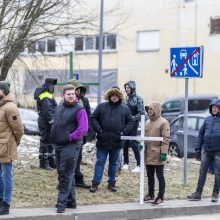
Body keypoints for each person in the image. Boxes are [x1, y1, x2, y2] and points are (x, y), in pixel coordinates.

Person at [51, 84, 88, 213]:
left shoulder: (79, 109)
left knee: (65, 174)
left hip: (71, 145)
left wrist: (70, 137)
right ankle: (71, 202)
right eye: (69, 94)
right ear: (63, 95)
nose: (71, 96)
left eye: (73, 94)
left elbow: (83, 128)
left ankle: (61, 203)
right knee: (63, 173)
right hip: (59, 144)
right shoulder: (60, 106)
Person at [90, 86, 134, 193]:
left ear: (119, 97)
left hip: (117, 141)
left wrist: (123, 132)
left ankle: (111, 182)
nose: (114, 97)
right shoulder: (101, 107)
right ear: (109, 96)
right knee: (100, 162)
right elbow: (93, 118)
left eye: (116, 95)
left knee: (114, 163)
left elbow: (131, 122)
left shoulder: (125, 109)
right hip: (102, 140)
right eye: (112, 95)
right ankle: (95, 183)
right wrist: (99, 130)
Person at [188, 99, 220, 202]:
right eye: (213, 107)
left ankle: (215, 194)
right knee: (202, 171)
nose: (214, 109)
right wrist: (198, 149)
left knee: (218, 173)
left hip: (218, 152)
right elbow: (200, 135)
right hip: (206, 150)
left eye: (216, 107)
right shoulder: (207, 120)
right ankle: (198, 193)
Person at [0, 81, 24, 215]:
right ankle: (0, 199)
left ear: (3, 91)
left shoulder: (10, 107)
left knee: (7, 175)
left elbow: (19, 129)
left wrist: (16, 141)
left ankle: (6, 203)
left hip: (6, 147)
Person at [144, 102, 170, 205]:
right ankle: (151, 194)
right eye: (148, 109)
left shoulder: (164, 122)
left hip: (158, 153)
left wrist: (163, 153)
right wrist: (141, 145)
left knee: (160, 176)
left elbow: (166, 139)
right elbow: (144, 137)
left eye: (151, 109)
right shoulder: (146, 122)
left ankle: (161, 197)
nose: (150, 111)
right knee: (150, 175)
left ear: (157, 110)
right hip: (148, 153)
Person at [68, 79, 91, 189]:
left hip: (81, 135)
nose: (78, 91)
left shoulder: (84, 100)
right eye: (76, 89)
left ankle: (78, 180)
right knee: (69, 158)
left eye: (79, 89)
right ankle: (66, 180)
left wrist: (88, 133)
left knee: (78, 157)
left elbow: (88, 116)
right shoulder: (66, 101)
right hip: (70, 135)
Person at [34, 78, 57, 170]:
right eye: (53, 86)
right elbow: (47, 111)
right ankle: (44, 162)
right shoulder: (44, 95)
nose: (54, 87)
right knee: (45, 141)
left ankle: (51, 161)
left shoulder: (48, 94)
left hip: (47, 121)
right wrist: (52, 121)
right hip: (45, 121)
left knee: (50, 141)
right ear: (49, 86)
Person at [122, 80, 145, 173]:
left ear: (132, 88)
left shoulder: (138, 99)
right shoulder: (125, 98)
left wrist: (132, 118)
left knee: (133, 142)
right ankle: (126, 163)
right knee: (125, 142)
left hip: (134, 123)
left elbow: (142, 113)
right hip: (126, 123)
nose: (126, 89)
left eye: (128, 88)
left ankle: (139, 164)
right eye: (126, 88)